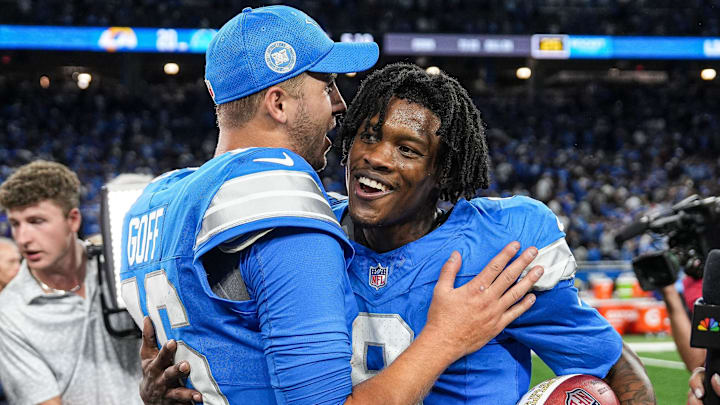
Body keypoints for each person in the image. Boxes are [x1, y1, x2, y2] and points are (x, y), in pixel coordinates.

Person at [140, 63, 656, 404]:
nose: (376, 159)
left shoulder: (501, 247)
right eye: (367, 135)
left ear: (445, 174)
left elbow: (615, 372)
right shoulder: (303, 236)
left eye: (408, 150)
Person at [120, 6, 542, 405]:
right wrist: (445, 337)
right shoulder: (278, 198)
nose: (341, 103)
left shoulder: (159, 197)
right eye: (326, 85)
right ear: (279, 103)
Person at [0, 160, 143, 405]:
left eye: (36, 221)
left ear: (73, 220)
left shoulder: (122, 266)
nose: (23, 238)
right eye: (15, 224)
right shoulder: (9, 313)